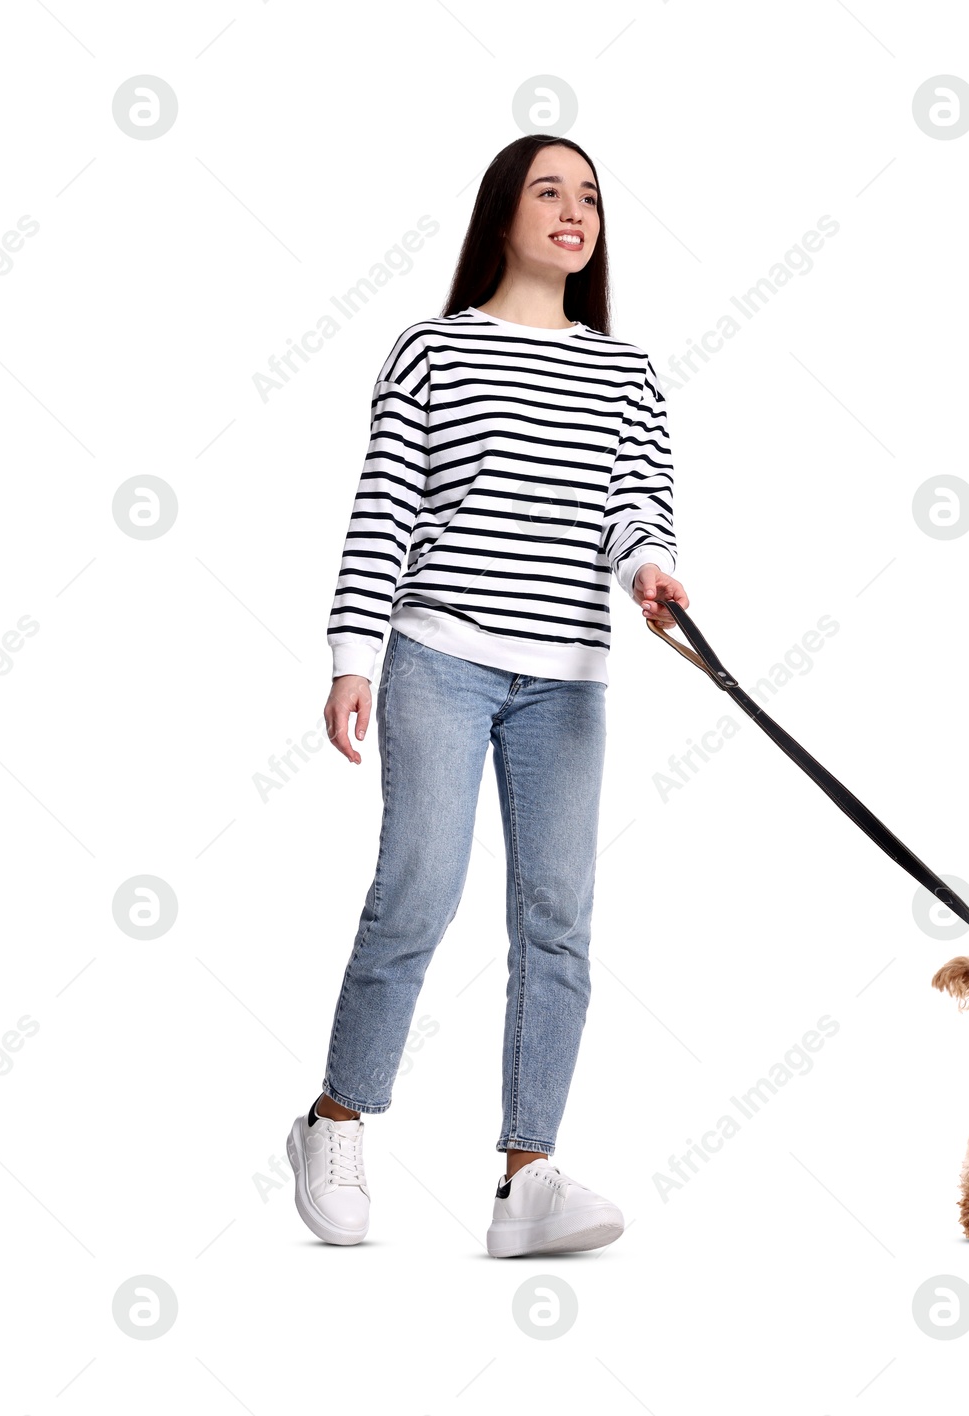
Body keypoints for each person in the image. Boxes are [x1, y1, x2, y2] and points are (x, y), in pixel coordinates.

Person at [284, 135, 688, 1258]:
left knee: (555, 924)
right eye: (547, 192)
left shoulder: (627, 369)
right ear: (501, 217)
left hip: (568, 680)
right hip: (439, 657)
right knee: (418, 889)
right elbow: (386, 508)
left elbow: (635, 502)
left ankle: (528, 1181)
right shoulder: (431, 350)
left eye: (592, 197)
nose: (574, 211)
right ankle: (336, 1118)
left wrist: (649, 566)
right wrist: (353, 655)